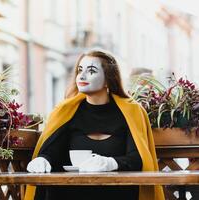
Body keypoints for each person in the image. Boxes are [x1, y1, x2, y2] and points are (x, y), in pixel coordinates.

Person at [24, 49, 165, 200]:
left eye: (91, 70)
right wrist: (43, 160)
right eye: (80, 70)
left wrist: (111, 163)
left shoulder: (132, 111)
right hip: (71, 193)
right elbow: (53, 151)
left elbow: (137, 159)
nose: (82, 76)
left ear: (108, 79)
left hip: (118, 193)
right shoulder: (65, 111)